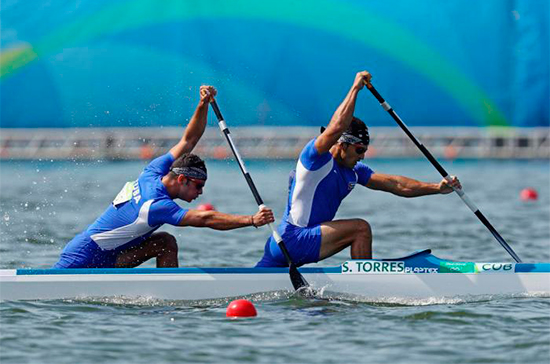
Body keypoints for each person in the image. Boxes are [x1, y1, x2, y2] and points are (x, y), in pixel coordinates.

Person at [54, 85, 274, 269]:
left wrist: (202, 105)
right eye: (198, 186)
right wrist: (252, 220)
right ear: (181, 179)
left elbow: (188, 140)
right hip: (82, 259)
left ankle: (168, 302)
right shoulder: (156, 205)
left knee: (165, 242)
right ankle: (172, 296)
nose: (201, 192)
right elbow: (205, 219)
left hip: (109, 255)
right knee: (166, 241)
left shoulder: (155, 170)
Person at [256, 71, 461, 267]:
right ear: (342, 144)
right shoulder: (315, 157)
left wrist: (437, 188)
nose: (362, 155)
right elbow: (336, 127)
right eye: (359, 149)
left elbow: (396, 185)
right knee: (360, 229)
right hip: (295, 238)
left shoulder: (354, 170)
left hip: (282, 243)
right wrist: (355, 89)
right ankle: (366, 281)